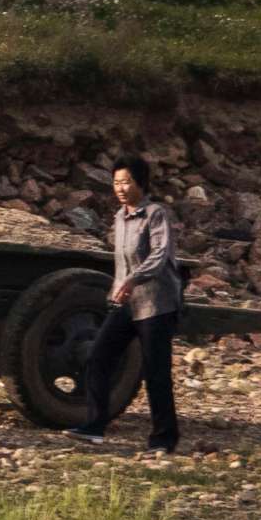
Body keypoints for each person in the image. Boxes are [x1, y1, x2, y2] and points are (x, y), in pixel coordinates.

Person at [68, 154, 183, 454]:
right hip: (126, 303)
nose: (120, 188)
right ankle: (94, 426)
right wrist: (117, 289)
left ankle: (163, 439)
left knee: (156, 372)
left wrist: (132, 280)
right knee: (98, 357)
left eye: (126, 181)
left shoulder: (156, 214)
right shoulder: (120, 217)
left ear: (141, 183)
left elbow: (159, 256)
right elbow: (121, 262)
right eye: (116, 182)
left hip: (156, 303)